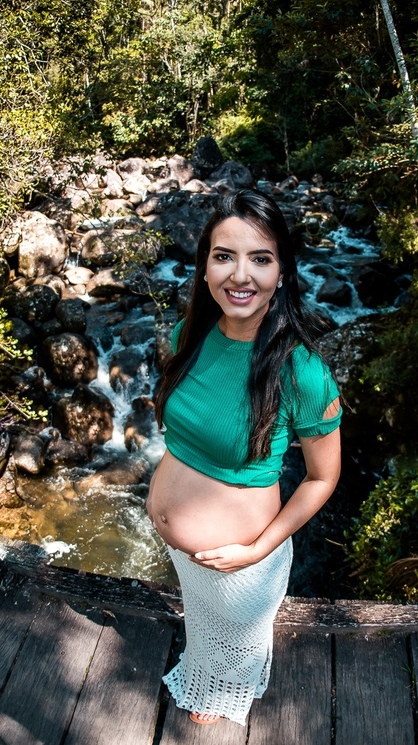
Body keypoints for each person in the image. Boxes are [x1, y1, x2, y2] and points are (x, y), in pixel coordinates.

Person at [145, 188, 342, 726]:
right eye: (224, 255)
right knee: (201, 631)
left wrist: (257, 550)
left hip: (242, 568)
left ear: (282, 271)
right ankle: (205, 674)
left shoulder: (302, 371)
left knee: (227, 661)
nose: (241, 275)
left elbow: (322, 479)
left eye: (261, 258)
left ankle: (221, 691)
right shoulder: (193, 333)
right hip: (190, 558)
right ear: (205, 266)